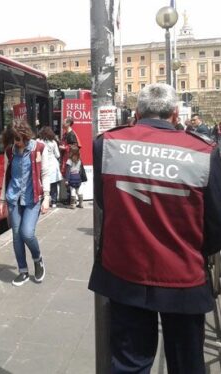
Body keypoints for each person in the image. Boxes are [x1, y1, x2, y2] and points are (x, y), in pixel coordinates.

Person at [88, 83, 221, 373]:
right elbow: (215, 222)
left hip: (125, 273)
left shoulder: (107, 144)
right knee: (187, 364)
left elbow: (103, 202)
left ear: (136, 113)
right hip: (183, 277)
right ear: (175, 114)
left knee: (128, 364)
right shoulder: (204, 151)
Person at [0, 122, 51, 286]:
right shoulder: (10, 152)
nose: (16, 142)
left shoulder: (39, 148)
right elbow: (5, 176)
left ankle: (38, 259)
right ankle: (23, 271)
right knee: (16, 235)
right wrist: (2, 200)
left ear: (26, 135)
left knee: (27, 233)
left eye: (19, 139)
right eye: (14, 139)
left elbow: (45, 173)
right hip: (13, 197)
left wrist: (47, 197)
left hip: (32, 198)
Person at [38, 126, 62, 208]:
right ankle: (54, 202)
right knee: (54, 184)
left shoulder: (39, 142)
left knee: (43, 181)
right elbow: (58, 154)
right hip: (52, 164)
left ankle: (43, 200)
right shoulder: (53, 142)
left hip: (43, 163)